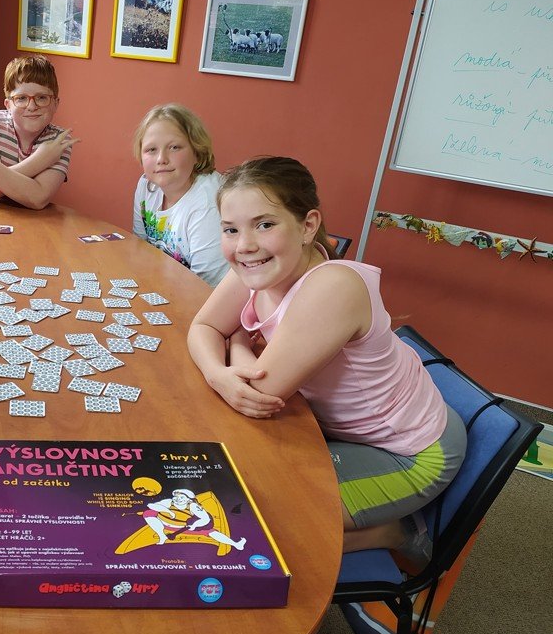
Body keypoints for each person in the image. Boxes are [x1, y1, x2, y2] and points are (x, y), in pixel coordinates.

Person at [187, 156, 466, 564]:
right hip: (343, 428)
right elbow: (203, 326)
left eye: (265, 224)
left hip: (410, 451)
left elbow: (256, 395)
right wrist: (218, 371)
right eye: (231, 229)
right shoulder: (258, 265)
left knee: (251, 527)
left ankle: (397, 531)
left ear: (307, 225)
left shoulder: (333, 286)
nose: (244, 244)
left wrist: (237, 341)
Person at [0, 54, 78, 209]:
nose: (32, 106)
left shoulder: (59, 141)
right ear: (8, 105)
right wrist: (39, 161)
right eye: (21, 98)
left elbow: (38, 199)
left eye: (42, 97)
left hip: (7, 215)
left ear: (56, 104)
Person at [132, 104, 230, 287]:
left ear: (197, 153)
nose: (161, 159)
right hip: (167, 288)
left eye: (174, 147)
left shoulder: (209, 201)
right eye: (151, 149)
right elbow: (140, 248)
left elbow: (205, 287)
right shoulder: (146, 185)